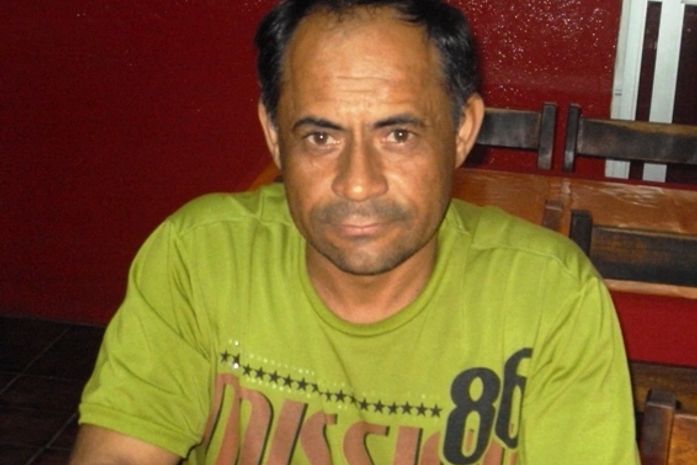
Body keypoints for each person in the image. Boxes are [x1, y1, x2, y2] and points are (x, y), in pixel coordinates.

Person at [69, 1, 639, 464]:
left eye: (398, 136)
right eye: (321, 138)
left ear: (462, 131)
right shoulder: (199, 257)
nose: (358, 184)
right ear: (274, 135)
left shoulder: (549, 297)